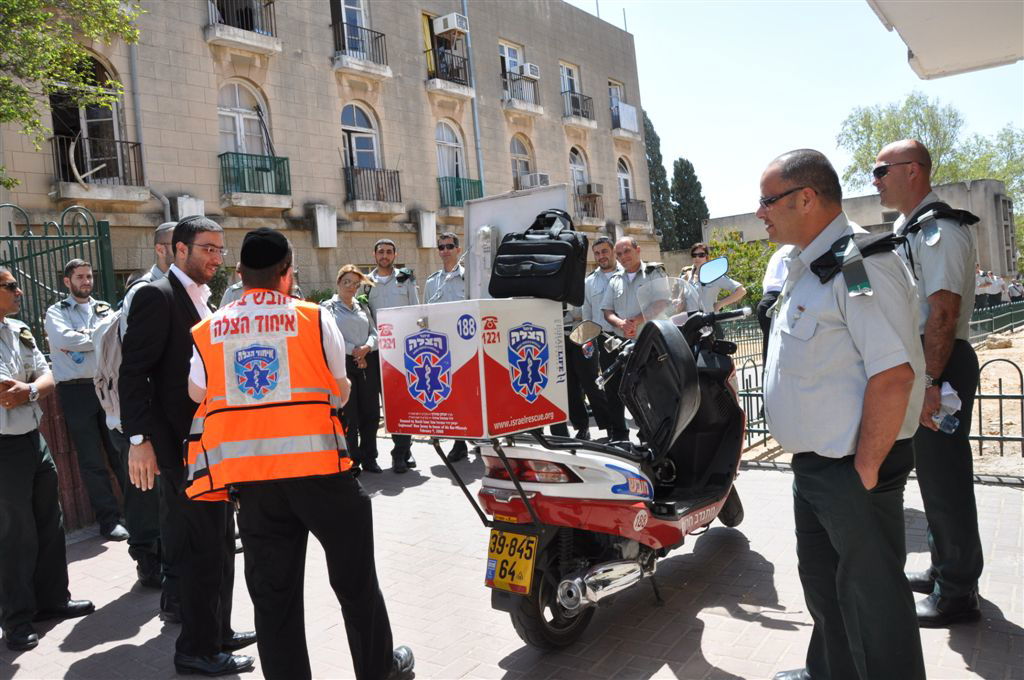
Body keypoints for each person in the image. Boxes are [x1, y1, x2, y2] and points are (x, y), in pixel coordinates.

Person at [184, 227, 414, 680]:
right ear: (286, 274)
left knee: (273, 598)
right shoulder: (312, 318)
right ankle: (378, 670)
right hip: (321, 474)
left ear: (242, 274)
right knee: (356, 583)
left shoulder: (210, 328)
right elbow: (340, 391)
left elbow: (197, 390)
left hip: (254, 485)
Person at [758, 149, 925, 680]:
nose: (760, 212)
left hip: (851, 469)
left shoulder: (858, 264)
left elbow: (893, 374)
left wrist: (866, 471)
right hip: (817, 467)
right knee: (827, 591)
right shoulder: (808, 267)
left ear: (806, 198)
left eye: (768, 200)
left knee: (874, 603)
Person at [119, 216, 255, 676]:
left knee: (220, 541)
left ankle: (218, 630)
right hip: (179, 445)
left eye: (220, 249)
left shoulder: (203, 296)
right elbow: (133, 373)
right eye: (207, 249)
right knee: (200, 547)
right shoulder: (156, 297)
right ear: (179, 250)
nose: (217, 258)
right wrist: (139, 440)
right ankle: (195, 649)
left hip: (212, 444)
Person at [875, 139, 984, 627]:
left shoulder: (940, 229)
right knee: (934, 477)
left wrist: (932, 381)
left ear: (914, 171)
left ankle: (958, 592)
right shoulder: (910, 229)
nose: (875, 179)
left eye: (882, 169)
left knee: (947, 480)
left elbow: (943, 311)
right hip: (926, 365)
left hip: (939, 364)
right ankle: (946, 569)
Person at [1, 267, 95, 651]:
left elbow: (47, 375)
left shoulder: (17, 329)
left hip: (30, 438)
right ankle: (17, 618)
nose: (19, 290)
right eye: (10, 286)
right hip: (2, 445)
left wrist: (30, 389)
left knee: (49, 521)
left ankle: (52, 599)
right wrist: (24, 389)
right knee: (14, 534)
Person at [44, 259, 128, 542]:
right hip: (76, 391)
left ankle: (135, 511)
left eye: (89, 276)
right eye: (80, 277)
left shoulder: (103, 308)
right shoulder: (56, 312)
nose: (86, 281)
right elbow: (63, 339)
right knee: (92, 459)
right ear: (67, 281)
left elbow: (115, 337)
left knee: (120, 453)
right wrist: (96, 337)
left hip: (106, 387)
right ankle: (109, 520)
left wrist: (84, 338)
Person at [601, 236, 666, 442]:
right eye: (618, 254)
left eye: (627, 251)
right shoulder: (614, 279)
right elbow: (607, 310)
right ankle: (630, 436)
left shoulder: (653, 272)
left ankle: (652, 435)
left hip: (650, 343)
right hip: (624, 345)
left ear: (638, 250)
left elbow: (662, 302)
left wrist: (636, 321)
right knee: (627, 393)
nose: (623, 257)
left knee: (651, 392)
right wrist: (620, 324)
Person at [323, 265, 382, 474]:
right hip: (343, 363)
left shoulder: (362, 307)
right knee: (350, 415)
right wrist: (353, 350)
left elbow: (375, 332)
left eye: (356, 284)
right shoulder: (327, 308)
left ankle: (370, 458)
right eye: (347, 282)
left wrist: (367, 347)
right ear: (338, 282)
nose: (351, 287)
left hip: (367, 361)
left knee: (371, 413)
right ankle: (352, 459)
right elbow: (328, 337)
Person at [366, 239, 418, 473]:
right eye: (381, 252)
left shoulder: (405, 279)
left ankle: (401, 453)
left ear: (395, 255)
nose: (384, 255)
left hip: (402, 353)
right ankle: (380, 455)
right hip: (376, 352)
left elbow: (416, 311)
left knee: (400, 404)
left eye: (389, 252)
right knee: (376, 405)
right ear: (374, 254)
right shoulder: (365, 283)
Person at [424, 232, 471, 462]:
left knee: (473, 392)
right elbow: (426, 315)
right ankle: (459, 442)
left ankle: (480, 439)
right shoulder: (432, 282)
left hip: (469, 344)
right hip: (443, 348)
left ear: (458, 249)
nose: (445, 251)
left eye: (449, 246)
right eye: (441, 247)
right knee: (452, 394)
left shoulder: (470, 278)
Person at [583, 237, 627, 441]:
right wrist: (588, 342)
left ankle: (647, 433)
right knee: (611, 388)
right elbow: (588, 316)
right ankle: (618, 433)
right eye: (597, 253)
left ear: (612, 251)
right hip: (605, 340)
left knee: (638, 385)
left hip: (630, 337)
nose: (601, 256)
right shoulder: (589, 282)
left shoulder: (628, 274)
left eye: (604, 251)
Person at [550, 302, 609, 440]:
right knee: (570, 387)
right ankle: (582, 427)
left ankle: (611, 427)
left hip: (583, 332)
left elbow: (583, 312)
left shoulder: (581, 284)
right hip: (559, 334)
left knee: (591, 382)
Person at [757, 245, 793, 363]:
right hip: (778, 299)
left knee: (770, 352)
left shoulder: (778, 253)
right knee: (780, 352)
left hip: (767, 301)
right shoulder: (792, 250)